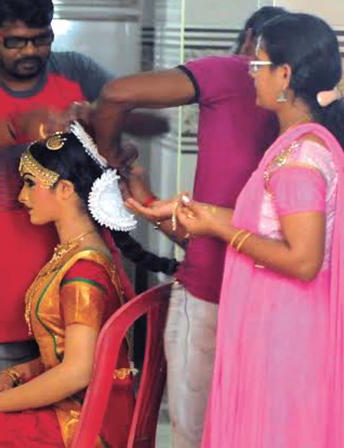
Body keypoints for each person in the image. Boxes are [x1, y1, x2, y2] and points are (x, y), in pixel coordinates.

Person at [0, 0, 167, 379]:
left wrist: (101, 117)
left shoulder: (76, 72)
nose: (30, 51)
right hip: (10, 293)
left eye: (40, 40)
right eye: (15, 42)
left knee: (90, 413)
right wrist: (17, 126)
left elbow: (153, 124)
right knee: (14, 423)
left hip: (87, 282)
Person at [89, 7, 286, 447]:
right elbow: (222, 233)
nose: (253, 75)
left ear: (253, 42)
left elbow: (118, 93)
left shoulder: (239, 77)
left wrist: (106, 156)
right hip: (256, 301)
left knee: (200, 436)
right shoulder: (305, 129)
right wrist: (148, 199)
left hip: (221, 297)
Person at [0, 126, 176, 447]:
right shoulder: (74, 255)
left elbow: (77, 372)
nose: (22, 196)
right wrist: (13, 376)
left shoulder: (84, 270)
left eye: (31, 184)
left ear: (64, 189)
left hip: (84, 423)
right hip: (78, 408)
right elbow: (66, 356)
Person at [164, 13, 344, 447]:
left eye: (258, 64)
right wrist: (204, 215)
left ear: (284, 75)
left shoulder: (299, 160)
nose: (251, 73)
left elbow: (303, 260)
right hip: (279, 325)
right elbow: (266, 225)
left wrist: (225, 233)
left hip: (285, 333)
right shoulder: (298, 145)